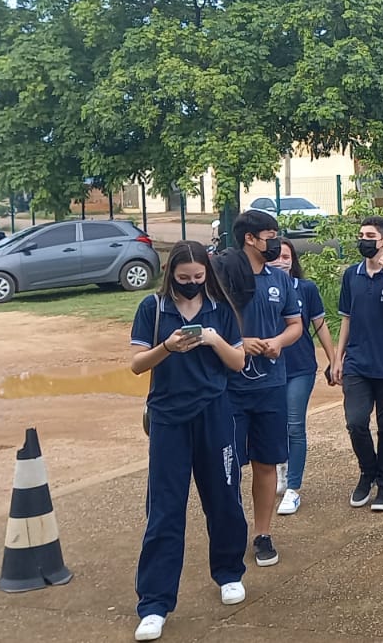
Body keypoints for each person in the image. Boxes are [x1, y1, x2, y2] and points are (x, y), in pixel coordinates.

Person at [130, 241, 248, 643]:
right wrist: (167, 347)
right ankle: (154, 603)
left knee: (224, 498)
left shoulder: (220, 308)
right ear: (171, 275)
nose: (192, 283)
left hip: (215, 413)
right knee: (164, 510)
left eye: (198, 277)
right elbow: (136, 364)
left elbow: (238, 362)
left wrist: (214, 340)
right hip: (168, 418)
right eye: (184, 278)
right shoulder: (153, 308)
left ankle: (229, 572)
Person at [214, 211, 303, 570]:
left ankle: (262, 534)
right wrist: (240, 343)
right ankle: (229, 534)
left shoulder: (279, 279)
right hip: (229, 388)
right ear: (250, 238)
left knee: (267, 463)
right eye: (270, 235)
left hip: (271, 386)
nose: (276, 242)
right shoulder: (222, 280)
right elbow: (209, 328)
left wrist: (278, 342)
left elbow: (295, 325)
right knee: (228, 467)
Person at [336, 216, 383, 512]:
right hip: (357, 362)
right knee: (355, 422)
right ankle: (368, 472)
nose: (364, 240)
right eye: (361, 235)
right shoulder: (351, 275)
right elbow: (346, 318)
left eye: (370, 236)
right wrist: (337, 358)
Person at [271, 240, 337, 517]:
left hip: (300, 367)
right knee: (274, 424)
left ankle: (293, 488)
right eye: (276, 256)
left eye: (286, 256)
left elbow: (320, 325)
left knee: (295, 424)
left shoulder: (306, 289)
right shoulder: (260, 288)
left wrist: (334, 360)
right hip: (268, 368)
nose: (281, 261)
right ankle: (281, 465)